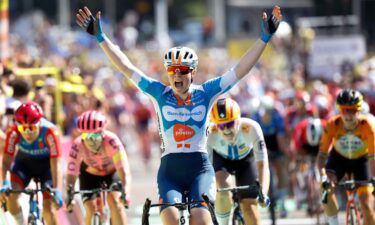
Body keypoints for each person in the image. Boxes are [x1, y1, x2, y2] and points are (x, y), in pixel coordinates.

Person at [75, 5, 281, 225]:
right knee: (171, 221)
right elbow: (126, 67)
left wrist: (264, 38)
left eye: (182, 70)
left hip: (199, 170)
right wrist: (101, 37)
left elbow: (240, 70)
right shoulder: (159, 93)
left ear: (192, 72)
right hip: (170, 172)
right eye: (172, 70)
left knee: (201, 220)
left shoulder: (207, 92)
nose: (176, 76)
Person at [207, 98, 270, 225]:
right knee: (223, 189)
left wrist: (263, 193)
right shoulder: (209, 133)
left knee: (250, 208)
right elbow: (206, 169)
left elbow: (263, 165)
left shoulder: (252, 128)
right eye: (221, 125)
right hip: (222, 161)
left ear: (238, 119)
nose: (226, 130)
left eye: (229, 124)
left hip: (246, 161)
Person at [317, 89, 375, 225]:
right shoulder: (332, 124)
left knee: (367, 205)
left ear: (359, 110)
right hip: (338, 159)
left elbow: (373, 157)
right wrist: (322, 175)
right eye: (344, 110)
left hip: (362, 161)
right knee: (325, 187)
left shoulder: (368, 126)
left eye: (353, 110)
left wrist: (374, 178)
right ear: (339, 110)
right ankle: (334, 222)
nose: (348, 115)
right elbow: (322, 155)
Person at [0, 101, 63, 225]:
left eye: (32, 128)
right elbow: (6, 161)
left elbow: (56, 163)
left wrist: (57, 190)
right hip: (24, 165)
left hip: (47, 168)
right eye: (22, 128)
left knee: (49, 208)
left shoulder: (50, 132)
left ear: (39, 123)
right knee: (11, 196)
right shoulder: (13, 132)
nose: (27, 132)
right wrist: (5, 183)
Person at [65, 110, 131, 225]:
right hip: (89, 175)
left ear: (103, 133)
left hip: (111, 173)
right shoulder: (77, 145)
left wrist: (126, 191)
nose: (91, 140)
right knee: (90, 209)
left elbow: (123, 170)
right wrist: (69, 195)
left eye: (95, 135)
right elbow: (71, 173)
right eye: (86, 135)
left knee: (116, 203)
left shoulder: (112, 141)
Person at [252, 95, 288, 218]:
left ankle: (282, 203)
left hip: (274, 143)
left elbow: (280, 138)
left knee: (280, 169)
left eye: (268, 112)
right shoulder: (255, 117)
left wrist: (282, 153)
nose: (265, 115)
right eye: (264, 112)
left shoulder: (277, 118)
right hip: (261, 142)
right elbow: (253, 140)